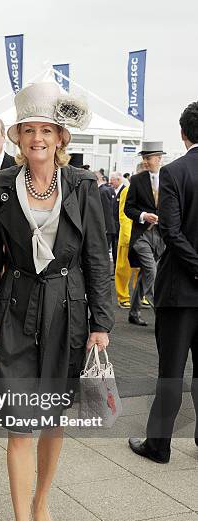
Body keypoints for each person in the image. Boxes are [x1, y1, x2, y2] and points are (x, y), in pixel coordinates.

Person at [0, 82, 114, 521]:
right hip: (15, 309)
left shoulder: (81, 185)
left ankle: (41, 504)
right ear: (18, 137)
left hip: (69, 311)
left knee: (53, 418)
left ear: (59, 137)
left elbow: (98, 255)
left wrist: (103, 321)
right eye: (28, 129)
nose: (37, 138)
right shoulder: (0, 186)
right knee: (19, 423)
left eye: (45, 130)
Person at [129, 102, 198, 463]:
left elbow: (171, 230)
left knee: (171, 371)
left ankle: (159, 444)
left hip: (179, 289)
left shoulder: (175, 172)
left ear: (183, 134)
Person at [125, 142, 166, 326]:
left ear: (158, 158)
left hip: (161, 236)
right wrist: (143, 215)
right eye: (144, 158)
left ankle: (134, 312)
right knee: (152, 270)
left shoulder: (169, 178)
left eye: (148, 158)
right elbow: (128, 208)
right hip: (141, 235)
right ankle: (161, 312)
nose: (145, 161)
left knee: (145, 275)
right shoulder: (137, 180)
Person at [114, 162, 145, 308]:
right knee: (123, 268)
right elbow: (123, 214)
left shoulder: (150, 190)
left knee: (143, 268)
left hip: (142, 235)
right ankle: (123, 296)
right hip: (129, 235)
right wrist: (127, 235)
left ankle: (141, 295)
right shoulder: (128, 190)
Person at [109, 171, 126, 271]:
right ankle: (116, 268)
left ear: (119, 179)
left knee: (119, 249)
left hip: (121, 227)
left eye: (112, 180)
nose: (110, 182)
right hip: (115, 226)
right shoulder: (114, 191)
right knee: (115, 248)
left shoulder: (125, 190)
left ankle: (118, 268)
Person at [96, 171, 116, 254]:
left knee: (103, 251)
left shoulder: (102, 191)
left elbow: (107, 211)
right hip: (106, 226)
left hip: (106, 227)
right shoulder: (103, 190)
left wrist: (106, 227)